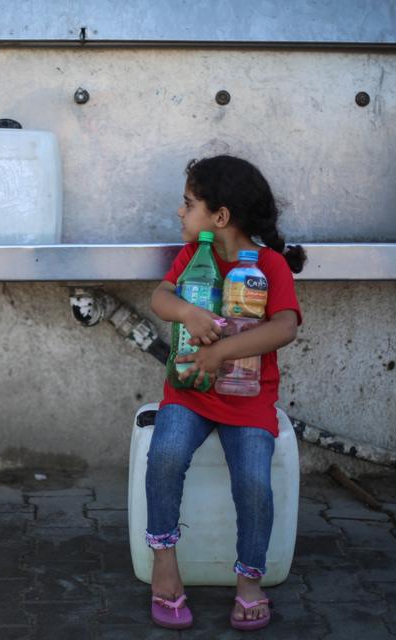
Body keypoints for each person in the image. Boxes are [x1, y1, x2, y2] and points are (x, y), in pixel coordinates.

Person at [146, 155, 306, 630]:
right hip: (190, 392)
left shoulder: (269, 265)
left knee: (254, 482)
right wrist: (185, 313)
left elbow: (286, 327)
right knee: (165, 455)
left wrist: (225, 351)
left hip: (248, 399)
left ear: (220, 217)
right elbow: (160, 297)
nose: (180, 212)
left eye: (188, 203)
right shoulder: (195, 257)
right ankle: (163, 560)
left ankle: (250, 580)